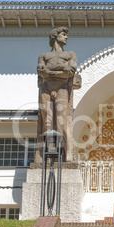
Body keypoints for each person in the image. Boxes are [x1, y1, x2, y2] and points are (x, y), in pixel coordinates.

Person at [36, 27, 78, 162]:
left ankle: (67, 153)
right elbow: (42, 72)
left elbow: (69, 72)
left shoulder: (70, 54)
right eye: (63, 35)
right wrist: (62, 68)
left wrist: (50, 71)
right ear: (55, 36)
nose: (66, 37)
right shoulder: (44, 56)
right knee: (47, 122)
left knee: (62, 121)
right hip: (46, 89)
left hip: (62, 88)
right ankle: (46, 154)